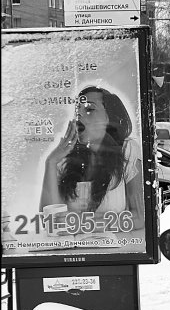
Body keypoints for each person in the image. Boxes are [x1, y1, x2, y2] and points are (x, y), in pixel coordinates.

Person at [40, 85, 144, 229]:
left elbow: (139, 216)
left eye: (89, 109)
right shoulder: (64, 156)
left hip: (115, 248)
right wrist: (51, 162)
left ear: (109, 117)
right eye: (77, 111)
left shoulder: (127, 149)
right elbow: (49, 221)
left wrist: (85, 223)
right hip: (73, 249)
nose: (79, 115)